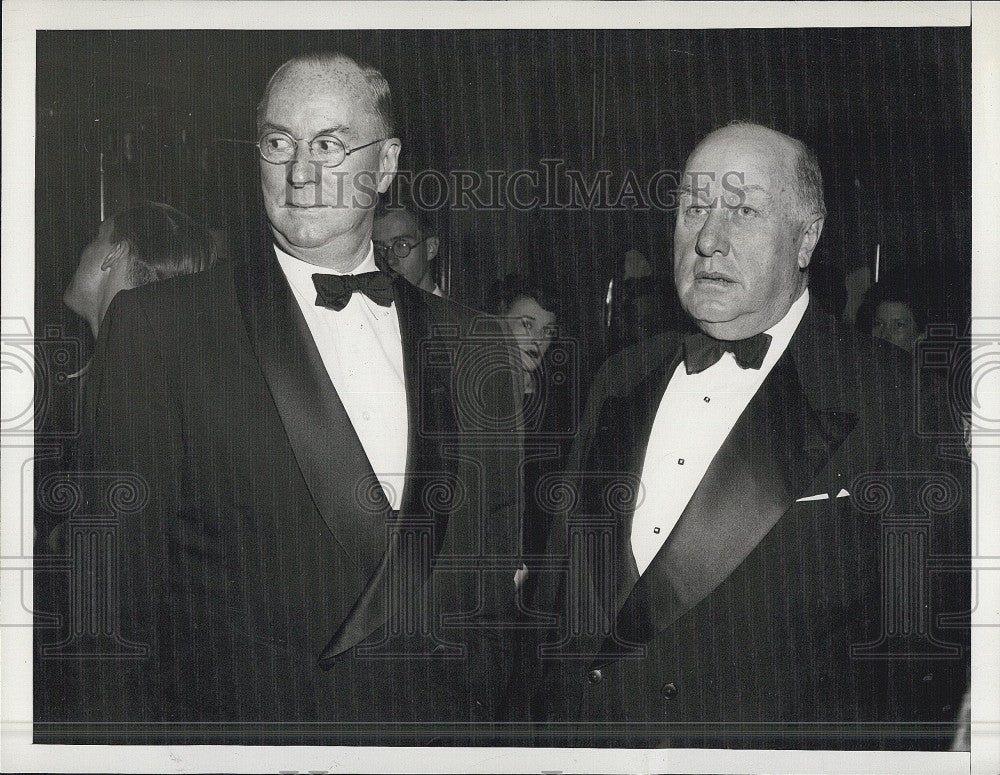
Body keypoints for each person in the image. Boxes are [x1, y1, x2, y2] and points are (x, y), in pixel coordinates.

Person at [35, 52, 522, 745]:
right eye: (278, 142)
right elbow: (104, 619)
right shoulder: (161, 328)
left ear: (385, 166)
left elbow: (493, 593)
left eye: (328, 143)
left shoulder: (479, 343)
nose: (300, 171)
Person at [529, 122, 968, 749]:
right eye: (693, 209)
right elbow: (556, 599)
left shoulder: (895, 398)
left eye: (743, 211)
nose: (708, 239)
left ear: (806, 238)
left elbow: (928, 659)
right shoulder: (619, 378)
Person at [63, 201, 218, 340]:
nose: (83, 251)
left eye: (96, 238)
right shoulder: (153, 362)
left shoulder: (122, 368)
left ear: (115, 253)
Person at [372, 199, 444, 296]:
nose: (389, 260)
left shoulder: (455, 311)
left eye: (401, 245)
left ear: (430, 248)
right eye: (380, 248)